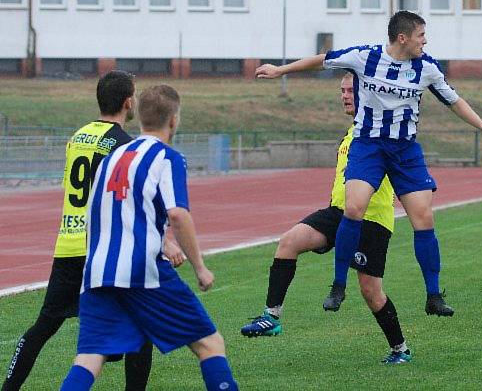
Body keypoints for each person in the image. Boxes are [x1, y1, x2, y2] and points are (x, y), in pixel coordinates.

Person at [255, 10, 482, 316]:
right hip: (369, 146)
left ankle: (434, 296)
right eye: (421, 35)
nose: (425, 41)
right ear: (403, 38)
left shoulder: (427, 68)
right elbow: (321, 59)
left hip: (405, 151)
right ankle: (338, 286)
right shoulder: (365, 57)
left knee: (424, 218)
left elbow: (453, 100)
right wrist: (281, 70)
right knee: (353, 208)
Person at [59, 85, 238, 391]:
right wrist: (200, 268)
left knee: (89, 358)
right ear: (174, 120)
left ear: (139, 117)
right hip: (142, 271)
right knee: (210, 344)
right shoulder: (167, 158)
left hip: (98, 270)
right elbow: (178, 215)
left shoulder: (111, 158)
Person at [3, 71, 171, 391]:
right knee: (141, 328)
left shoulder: (76, 138)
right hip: (103, 249)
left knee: (43, 327)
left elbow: (71, 189)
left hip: (68, 246)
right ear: (127, 102)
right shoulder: (126, 146)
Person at [241, 72, 411, 364]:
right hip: (337, 214)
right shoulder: (350, 133)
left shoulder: (384, 130)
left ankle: (400, 349)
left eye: (350, 90)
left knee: (371, 292)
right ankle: (272, 317)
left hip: (370, 221)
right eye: (342, 90)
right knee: (288, 242)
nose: (344, 95)